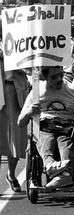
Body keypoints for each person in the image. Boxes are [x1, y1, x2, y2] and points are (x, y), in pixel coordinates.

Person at [17, 65, 74, 189]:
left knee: (64, 141)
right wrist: (29, 112)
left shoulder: (73, 89)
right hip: (45, 126)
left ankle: (65, 174)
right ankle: (50, 165)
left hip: (66, 126)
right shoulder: (36, 92)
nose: (59, 79)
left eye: (61, 75)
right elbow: (21, 123)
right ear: (45, 76)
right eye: (54, 77)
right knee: (45, 139)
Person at [0, 28, 29, 192]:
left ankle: (11, 174)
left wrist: (9, 58)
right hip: (0, 92)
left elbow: (28, 67)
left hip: (16, 91)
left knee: (17, 137)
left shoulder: (21, 44)